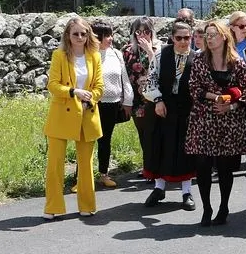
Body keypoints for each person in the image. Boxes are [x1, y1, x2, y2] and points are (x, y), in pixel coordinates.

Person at [185, 20, 246, 226]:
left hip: (229, 123)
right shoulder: (199, 60)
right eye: (207, 34)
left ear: (224, 36)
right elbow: (194, 89)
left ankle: (224, 207)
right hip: (203, 121)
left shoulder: (237, 62)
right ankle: (206, 208)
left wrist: (230, 106)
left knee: (225, 168)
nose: (209, 38)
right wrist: (216, 98)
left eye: (213, 34)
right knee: (203, 166)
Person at [42, 17, 104, 220]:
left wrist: (90, 97)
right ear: (68, 35)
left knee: (85, 164)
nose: (79, 37)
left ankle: (87, 205)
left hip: (87, 114)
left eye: (83, 33)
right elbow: (52, 85)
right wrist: (74, 92)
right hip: (62, 115)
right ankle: (53, 206)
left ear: (89, 35)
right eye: (75, 33)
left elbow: (99, 87)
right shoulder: (59, 55)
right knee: (55, 164)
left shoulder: (94, 56)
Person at [141, 21, 198, 210]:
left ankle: (186, 192)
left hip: (186, 111)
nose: (183, 42)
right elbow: (151, 80)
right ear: (172, 38)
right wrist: (157, 100)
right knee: (160, 146)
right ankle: (159, 188)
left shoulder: (197, 58)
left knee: (184, 151)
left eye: (187, 38)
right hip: (162, 109)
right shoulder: (160, 55)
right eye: (179, 38)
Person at [91, 21, 133, 189]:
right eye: (106, 35)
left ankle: (103, 174)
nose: (110, 38)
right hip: (93, 103)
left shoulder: (116, 54)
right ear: (97, 37)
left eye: (110, 35)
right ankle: (81, 176)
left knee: (105, 140)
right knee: (86, 140)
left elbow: (124, 78)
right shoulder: (88, 54)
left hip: (112, 103)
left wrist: (128, 100)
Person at [123, 17, 161, 178]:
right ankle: (148, 166)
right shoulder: (127, 51)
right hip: (137, 98)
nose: (143, 35)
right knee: (143, 134)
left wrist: (150, 51)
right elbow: (124, 74)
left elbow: (160, 69)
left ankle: (157, 167)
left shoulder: (159, 48)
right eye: (139, 32)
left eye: (147, 31)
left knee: (156, 134)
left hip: (155, 98)